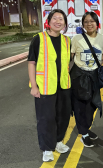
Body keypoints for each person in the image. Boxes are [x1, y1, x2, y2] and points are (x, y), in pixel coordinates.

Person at [28, 9, 71, 162]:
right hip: (44, 86)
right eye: (55, 18)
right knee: (46, 118)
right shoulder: (38, 39)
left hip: (64, 86)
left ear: (65, 23)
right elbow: (32, 63)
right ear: (49, 21)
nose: (58, 21)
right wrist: (34, 86)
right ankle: (47, 148)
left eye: (61, 19)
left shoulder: (67, 40)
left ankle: (58, 141)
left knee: (63, 116)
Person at [70, 12, 103, 147]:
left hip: (93, 76)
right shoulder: (76, 39)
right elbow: (70, 56)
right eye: (86, 22)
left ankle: (85, 128)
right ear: (83, 25)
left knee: (92, 105)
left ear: (97, 23)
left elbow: (102, 56)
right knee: (80, 106)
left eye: (92, 21)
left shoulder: (102, 39)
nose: (89, 24)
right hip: (79, 76)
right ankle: (84, 133)